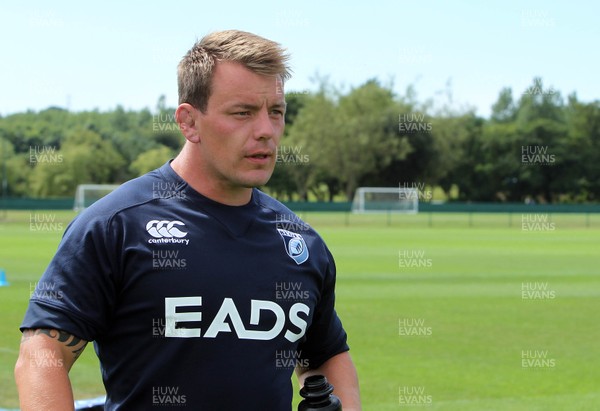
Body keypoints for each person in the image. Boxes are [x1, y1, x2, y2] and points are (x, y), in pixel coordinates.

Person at [15, 30, 361, 410]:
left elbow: (326, 355)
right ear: (188, 122)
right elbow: (43, 354)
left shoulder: (301, 243)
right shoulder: (116, 225)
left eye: (275, 112)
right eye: (242, 112)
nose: (266, 131)